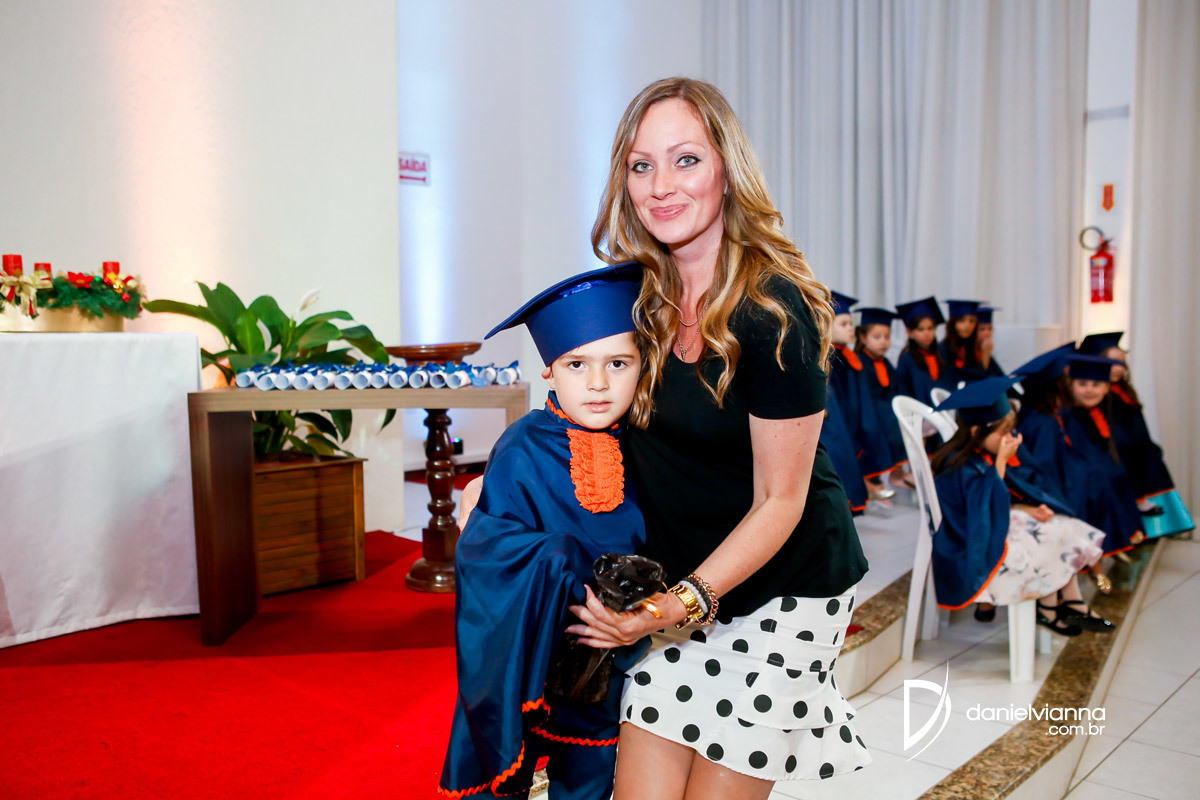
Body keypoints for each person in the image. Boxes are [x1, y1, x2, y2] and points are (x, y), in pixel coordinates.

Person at [567, 77, 871, 798]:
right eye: (641, 166)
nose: (661, 186)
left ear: (727, 171)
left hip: (782, 593)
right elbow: (578, 407)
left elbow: (780, 500)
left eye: (686, 160)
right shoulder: (634, 299)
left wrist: (673, 607)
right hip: (681, 579)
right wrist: (501, 478)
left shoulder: (774, 310)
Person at [438, 264, 651, 800]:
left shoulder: (649, 447)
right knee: (503, 775)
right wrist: (555, 557)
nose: (598, 383)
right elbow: (483, 553)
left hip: (608, 656)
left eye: (618, 363)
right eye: (577, 364)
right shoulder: (521, 444)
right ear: (550, 371)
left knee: (590, 774)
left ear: (642, 365)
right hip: (527, 652)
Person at [930, 378, 1113, 635]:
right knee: (1049, 536)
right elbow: (980, 511)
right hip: (968, 542)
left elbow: (1007, 495)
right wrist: (1001, 463)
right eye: (1003, 432)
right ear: (975, 431)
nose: (1010, 438)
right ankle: (1053, 607)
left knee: (1059, 523)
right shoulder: (956, 466)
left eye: (1012, 430)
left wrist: (1028, 508)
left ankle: (1067, 603)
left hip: (993, 525)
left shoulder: (982, 454)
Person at [1078, 332, 1194, 536]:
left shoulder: (1122, 390)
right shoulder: (1099, 396)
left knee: (1153, 465)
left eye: (1122, 363)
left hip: (1139, 451)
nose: (1119, 368)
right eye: (1112, 362)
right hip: (1121, 454)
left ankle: (1161, 526)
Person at [829, 291, 893, 500]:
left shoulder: (847, 355)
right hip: (840, 420)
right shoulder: (829, 358)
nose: (850, 329)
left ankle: (869, 484)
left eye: (850, 324)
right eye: (844, 324)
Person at [854, 306, 914, 489]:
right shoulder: (860, 362)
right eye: (877, 337)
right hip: (870, 412)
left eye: (887, 337)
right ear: (863, 338)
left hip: (887, 409)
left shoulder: (885, 362)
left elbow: (896, 387)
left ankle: (898, 473)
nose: (883, 342)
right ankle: (874, 479)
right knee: (886, 426)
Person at [894, 296, 949, 406]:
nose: (927, 333)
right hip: (919, 411)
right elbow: (903, 391)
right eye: (921, 329)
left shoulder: (941, 355)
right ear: (909, 332)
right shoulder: (906, 359)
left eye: (930, 328)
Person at [939, 298, 986, 386]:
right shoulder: (943, 349)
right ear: (953, 323)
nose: (967, 325)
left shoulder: (973, 348)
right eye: (962, 320)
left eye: (972, 321)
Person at [974, 305, 1005, 377]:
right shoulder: (966, 354)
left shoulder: (985, 351)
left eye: (990, 329)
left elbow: (1001, 376)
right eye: (982, 329)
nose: (987, 333)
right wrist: (986, 353)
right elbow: (979, 378)